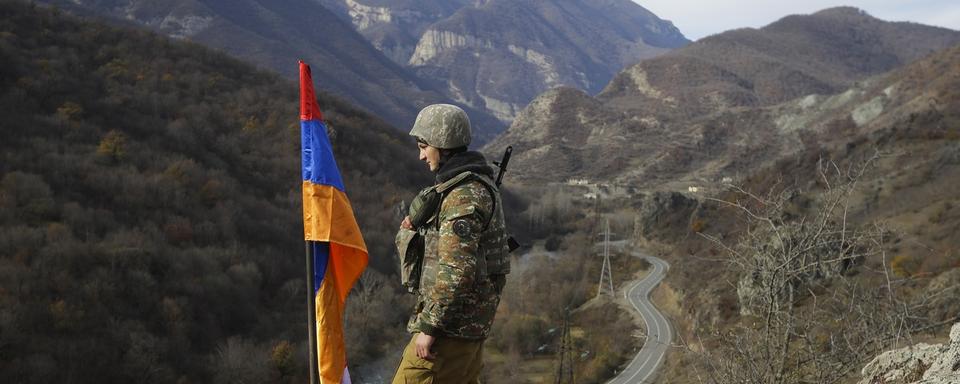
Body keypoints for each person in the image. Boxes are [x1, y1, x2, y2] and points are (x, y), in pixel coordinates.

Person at [392, 104, 511, 383]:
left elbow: (457, 272)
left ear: (443, 146)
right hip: (464, 327)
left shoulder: (463, 196)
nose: (420, 155)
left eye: (424, 146)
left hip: (450, 331)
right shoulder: (466, 187)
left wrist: (430, 327)